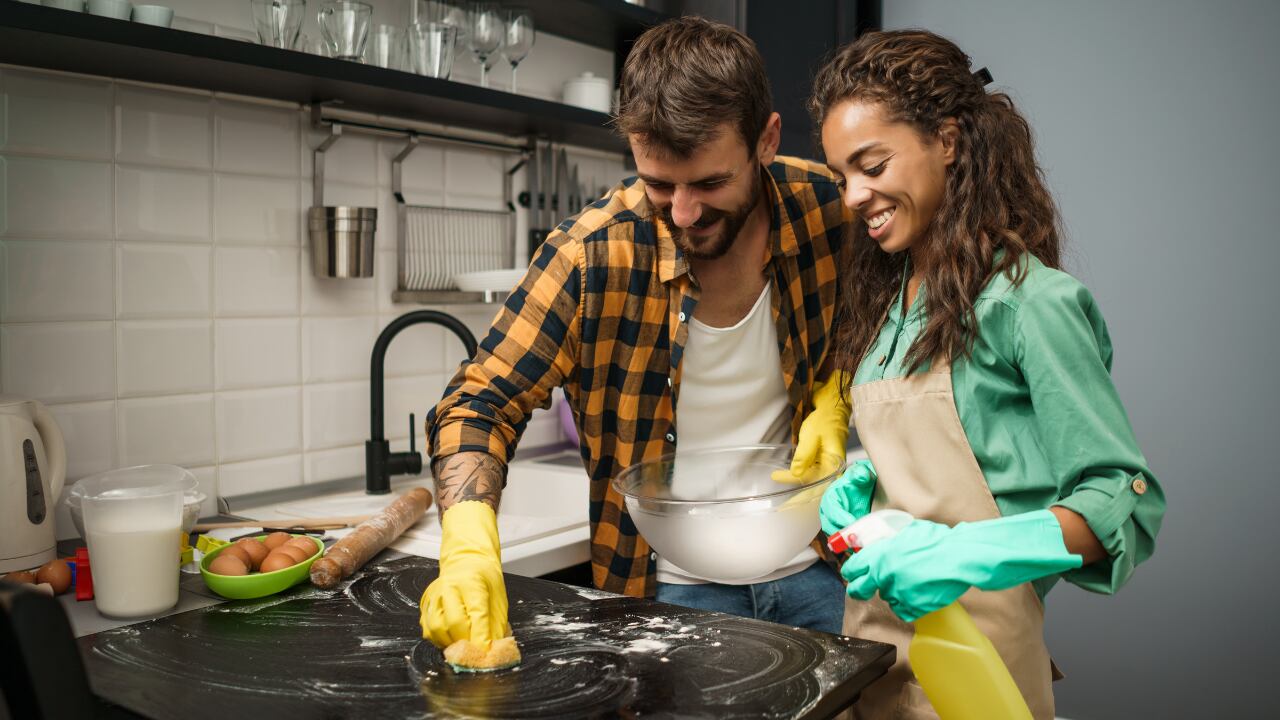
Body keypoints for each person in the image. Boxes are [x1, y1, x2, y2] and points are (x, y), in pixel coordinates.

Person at [418, 16, 857, 659]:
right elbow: (478, 403)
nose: (683, 212)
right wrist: (466, 548)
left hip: (821, 565)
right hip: (668, 589)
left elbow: (897, 316)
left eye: (710, 183)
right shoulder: (591, 257)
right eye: (658, 185)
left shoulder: (827, 209)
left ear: (766, 141)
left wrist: (837, 392)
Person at [796, 30, 1166, 718]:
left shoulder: (1031, 305)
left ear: (947, 140)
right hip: (871, 666)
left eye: (872, 165)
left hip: (977, 673)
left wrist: (964, 554)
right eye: (842, 175)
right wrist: (854, 508)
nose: (853, 195)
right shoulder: (886, 305)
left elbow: (1121, 499)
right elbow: (932, 468)